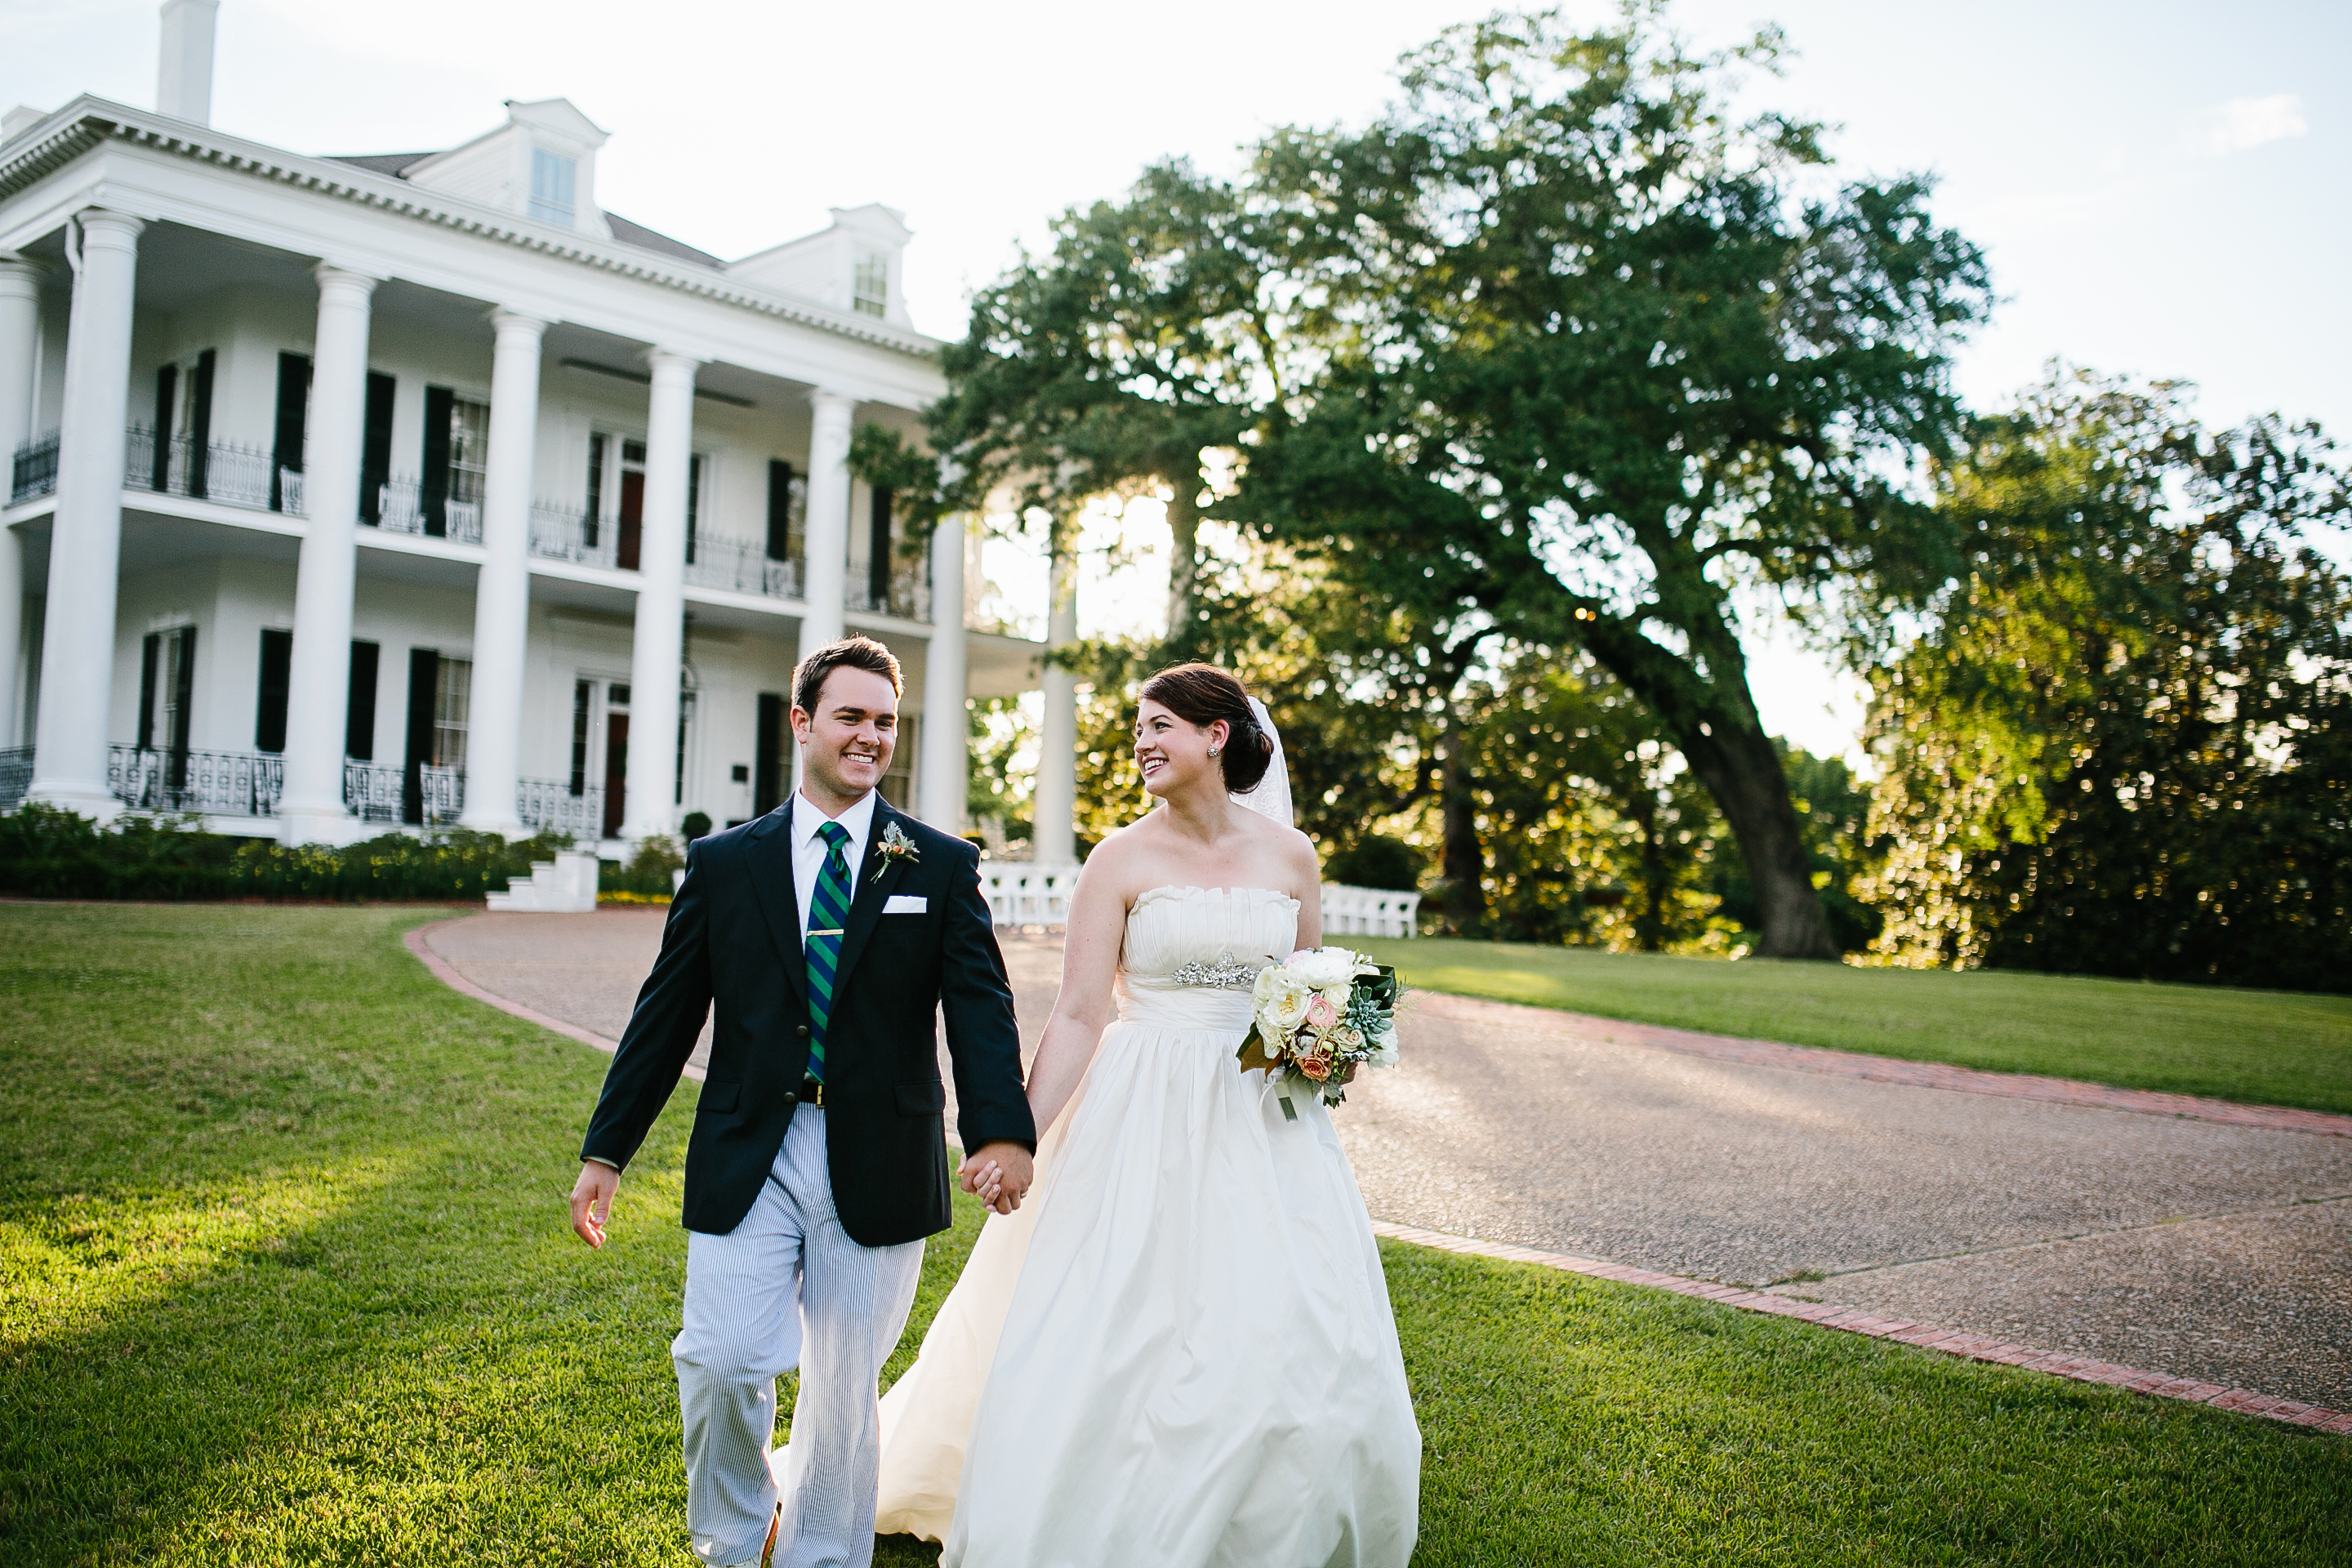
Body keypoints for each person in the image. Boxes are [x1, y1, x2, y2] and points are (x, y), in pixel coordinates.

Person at [875, 663, 1420, 1567]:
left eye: (1161, 725)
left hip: (1261, 1113)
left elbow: (1313, 988)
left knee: (1280, 1314)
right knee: (1120, 1311)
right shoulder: (1119, 859)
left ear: (1218, 736)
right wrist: (1021, 1138)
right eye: (1138, 729)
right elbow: (1081, 1014)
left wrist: (1333, 1044)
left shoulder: (1291, 856)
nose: (1142, 744)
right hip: (1138, 1103)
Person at [569, 636, 1036, 1568]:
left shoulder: (937, 865)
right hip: (752, 1146)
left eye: (885, 722)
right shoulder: (724, 864)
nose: (871, 738)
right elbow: (664, 1019)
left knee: (840, 1383)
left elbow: (980, 1007)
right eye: (852, 718)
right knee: (720, 1357)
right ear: (803, 722)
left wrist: (1000, 1133)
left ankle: (825, 1556)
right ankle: (739, 1539)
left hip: (882, 1155)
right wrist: (606, 1151)